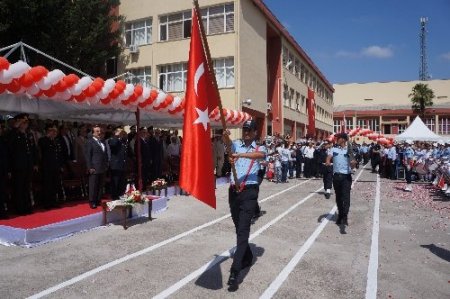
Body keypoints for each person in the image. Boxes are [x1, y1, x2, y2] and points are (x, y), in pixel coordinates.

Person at [223, 119, 267, 291]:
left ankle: (235, 272)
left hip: (249, 192)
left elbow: (260, 156)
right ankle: (247, 255)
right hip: (234, 192)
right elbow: (228, 145)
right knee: (237, 226)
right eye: (245, 129)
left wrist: (240, 155)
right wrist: (225, 136)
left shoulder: (259, 147)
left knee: (243, 230)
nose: (246, 132)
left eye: (250, 130)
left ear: (255, 132)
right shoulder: (236, 144)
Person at [7, 113, 38, 215]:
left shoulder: (28, 134)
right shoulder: (13, 134)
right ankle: (20, 209)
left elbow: (33, 150)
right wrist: (15, 128)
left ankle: (27, 207)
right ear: (18, 122)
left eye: (27, 122)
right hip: (18, 166)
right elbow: (9, 146)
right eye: (24, 121)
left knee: (26, 187)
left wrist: (34, 163)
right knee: (19, 188)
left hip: (28, 165)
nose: (26, 124)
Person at [325, 133, 356, 226]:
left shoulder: (349, 150)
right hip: (336, 177)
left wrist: (353, 163)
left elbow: (353, 163)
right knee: (338, 197)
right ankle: (340, 215)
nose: (336, 139)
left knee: (346, 197)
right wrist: (327, 161)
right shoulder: (334, 149)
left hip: (346, 177)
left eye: (338, 138)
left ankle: (345, 216)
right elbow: (329, 157)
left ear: (343, 139)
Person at [38, 125, 64, 209]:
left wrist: (60, 165)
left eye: (55, 131)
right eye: (52, 131)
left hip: (55, 166)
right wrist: (48, 137)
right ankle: (47, 203)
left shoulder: (56, 141)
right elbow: (42, 150)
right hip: (47, 167)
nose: (54, 133)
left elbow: (58, 154)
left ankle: (54, 201)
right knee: (47, 185)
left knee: (55, 185)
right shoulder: (43, 140)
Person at [85, 125, 109, 209]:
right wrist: (89, 167)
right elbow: (88, 156)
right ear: (93, 133)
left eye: (100, 131)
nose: (99, 133)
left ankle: (98, 200)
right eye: (97, 131)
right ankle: (92, 201)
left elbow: (105, 154)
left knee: (100, 185)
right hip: (94, 167)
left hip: (102, 167)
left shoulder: (102, 141)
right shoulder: (90, 142)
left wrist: (106, 164)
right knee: (93, 185)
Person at [108, 127, 129, 200]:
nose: (121, 134)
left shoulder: (122, 141)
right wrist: (116, 135)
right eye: (120, 132)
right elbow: (113, 145)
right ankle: (114, 197)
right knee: (115, 182)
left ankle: (120, 195)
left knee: (121, 182)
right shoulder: (112, 139)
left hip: (122, 165)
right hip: (115, 165)